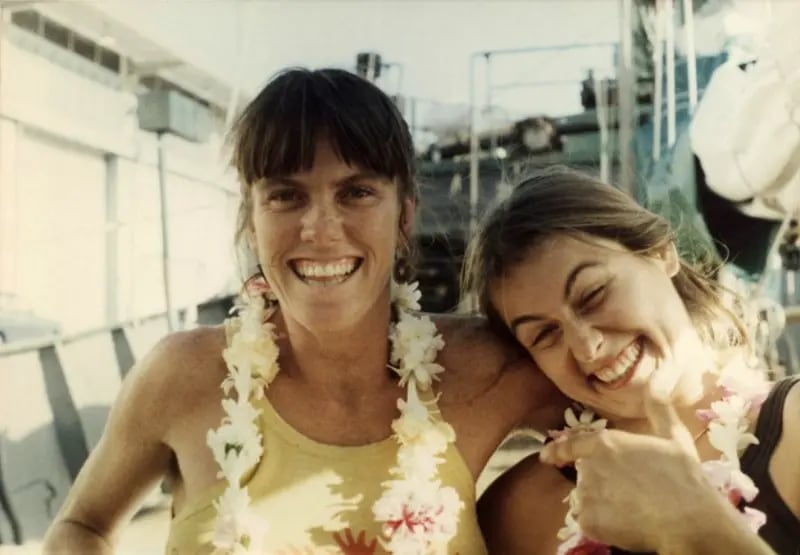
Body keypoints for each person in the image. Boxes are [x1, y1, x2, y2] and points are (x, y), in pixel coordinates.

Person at [42, 68, 567, 555]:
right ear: (251, 223)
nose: (320, 228)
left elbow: (631, 417)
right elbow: (81, 526)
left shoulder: (483, 368)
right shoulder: (182, 375)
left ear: (404, 216)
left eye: (357, 192)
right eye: (286, 196)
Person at [464, 167, 799, 554]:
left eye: (594, 295)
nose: (587, 347)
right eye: (545, 335)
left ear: (661, 253)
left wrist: (701, 525)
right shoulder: (518, 512)